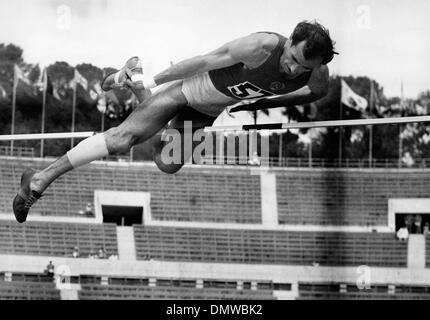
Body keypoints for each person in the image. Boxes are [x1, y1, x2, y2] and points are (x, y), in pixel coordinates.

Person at [13, 20, 336, 223]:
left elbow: (313, 94)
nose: (294, 69)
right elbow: (203, 61)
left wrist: (266, 102)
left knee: (167, 162)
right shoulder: (260, 46)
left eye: (302, 67)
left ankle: (132, 82)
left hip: (208, 110)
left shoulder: (317, 72)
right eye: (292, 59)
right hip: (187, 89)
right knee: (122, 139)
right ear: (291, 40)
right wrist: (156, 82)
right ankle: (39, 181)